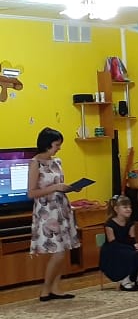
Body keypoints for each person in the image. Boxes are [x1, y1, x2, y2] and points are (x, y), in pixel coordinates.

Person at [28, 128, 80, 301]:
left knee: (63, 250)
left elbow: (59, 185)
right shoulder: (35, 163)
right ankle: (45, 289)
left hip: (61, 209)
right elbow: (31, 193)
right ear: (47, 144)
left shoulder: (57, 161)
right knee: (58, 252)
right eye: (57, 145)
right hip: (47, 212)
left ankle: (55, 288)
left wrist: (68, 188)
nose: (59, 148)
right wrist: (55, 187)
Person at [100, 195, 138, 291]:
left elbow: (132, 239)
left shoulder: (130, 223)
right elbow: (112, 242)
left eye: (130, 207)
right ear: (116, 209)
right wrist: (130, 248)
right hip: (112, 249)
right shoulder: (109, 224)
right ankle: (125, 281)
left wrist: (135, 245)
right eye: (125, 207)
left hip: (127, 247)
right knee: (128, 255)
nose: (129, 209)